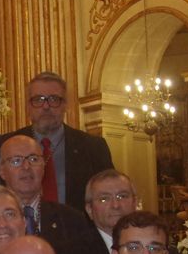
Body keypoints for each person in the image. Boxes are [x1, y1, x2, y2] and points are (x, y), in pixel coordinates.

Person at [0, 134, 97, 254]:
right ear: (2, 171)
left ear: (44, 166)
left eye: (33, 159)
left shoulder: (72, 220)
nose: (26, 167)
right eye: (16, 161)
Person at [11, 72, 114, 206]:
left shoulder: (93, 147)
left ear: (66, 105)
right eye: (38, 100)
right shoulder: (8, 144)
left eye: (54, 99)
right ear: (28, 107)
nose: (46, 106)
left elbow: (109, 193)